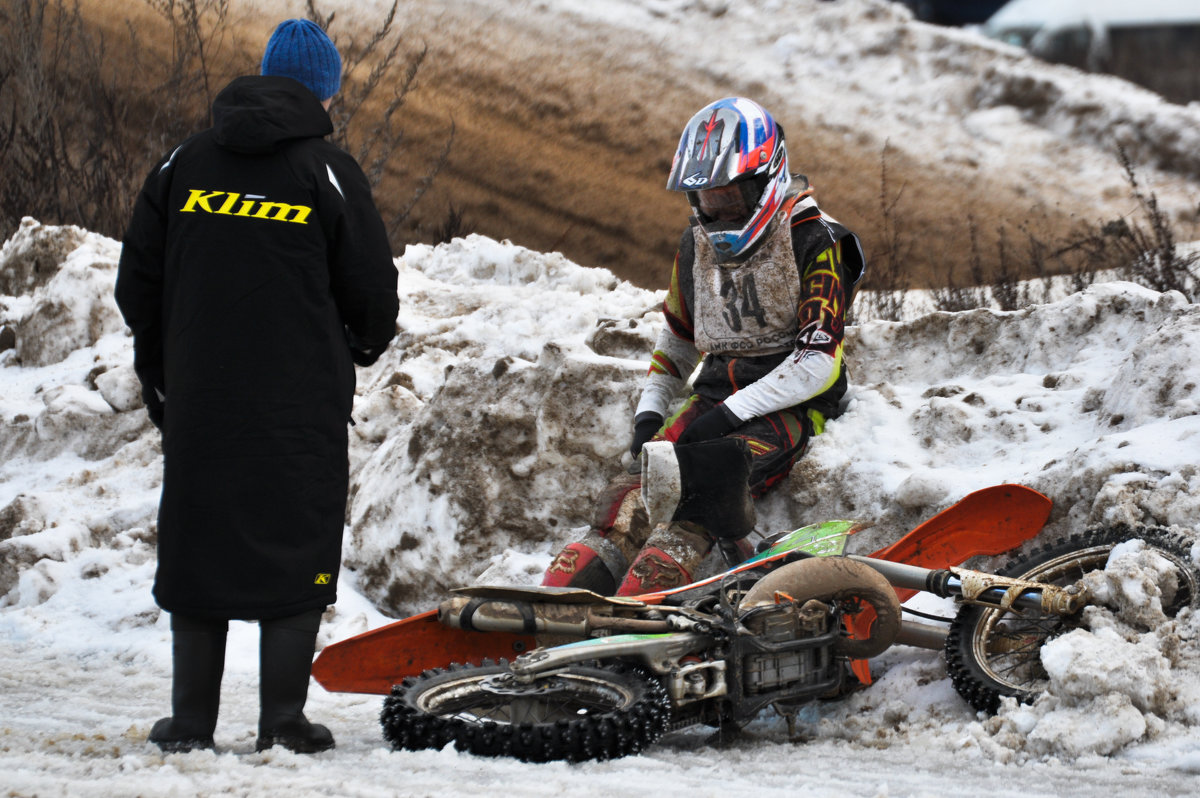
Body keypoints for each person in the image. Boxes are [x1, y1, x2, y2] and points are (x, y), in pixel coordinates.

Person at [115, 19, 399, 754]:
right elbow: (371, 289)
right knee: (291, 540)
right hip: (297, 408)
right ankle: (282, 722)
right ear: (326, 93)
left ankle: (189, 724)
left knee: (199, 539)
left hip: (201, 400)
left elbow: (136, 283)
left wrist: (162, 365)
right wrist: (361, 347)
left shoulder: (183, 164)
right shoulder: (326, 172)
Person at [542, 97, 865, 596]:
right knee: (628, 496)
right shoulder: (695, 245)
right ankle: (556, 600)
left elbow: (817, 363)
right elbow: (677, 337)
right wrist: (649, 415)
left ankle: (643, 612)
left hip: (794, 404)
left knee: (703, 490)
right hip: (716, 396)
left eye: (731, 196)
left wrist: (730, 416)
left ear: (766, 177)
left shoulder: (816, 240)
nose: (718, 210)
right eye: (707, 198)